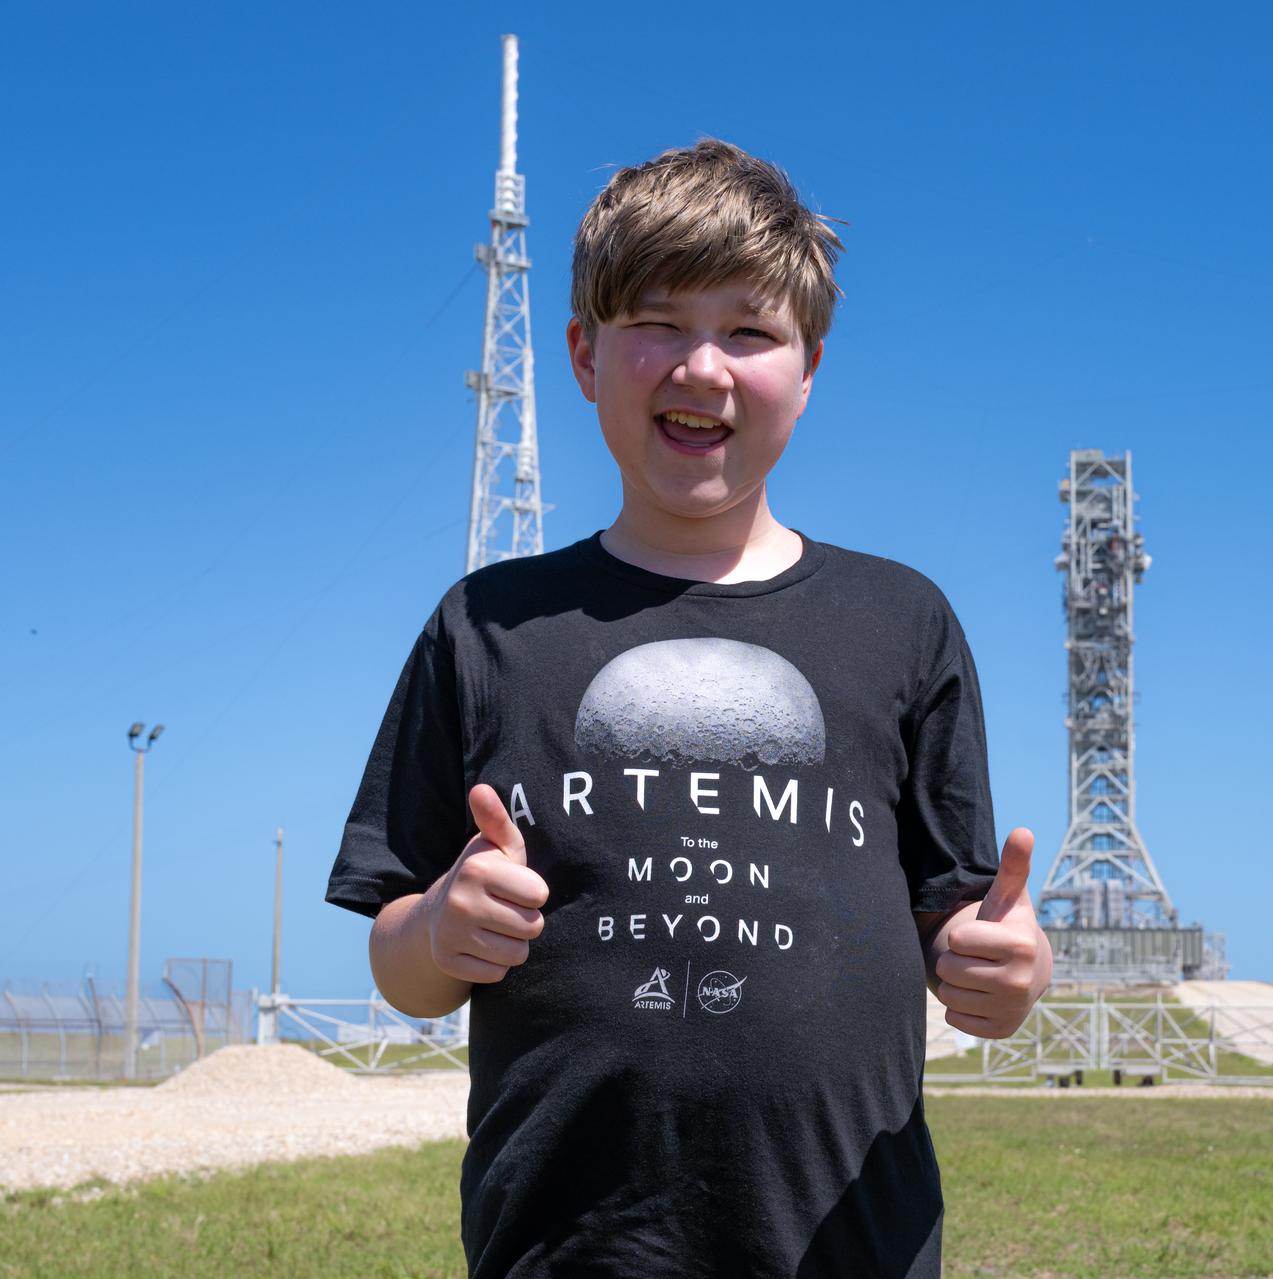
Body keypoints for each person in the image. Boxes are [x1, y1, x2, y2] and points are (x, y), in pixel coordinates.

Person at [323, 138, 1052, 1278]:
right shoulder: (487, 624)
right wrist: (439, 927)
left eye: (751, 332)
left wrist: (1004, 972)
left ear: (809, 370)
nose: (701, 368)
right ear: (582, 353)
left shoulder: (902, 621)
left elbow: (958, 937)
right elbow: (398, 953)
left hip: (844, 1242)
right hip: (565, 1244)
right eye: (657, 322)